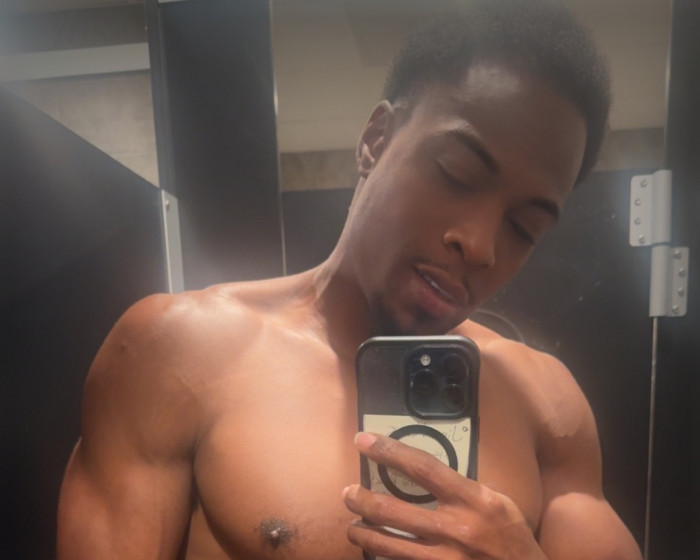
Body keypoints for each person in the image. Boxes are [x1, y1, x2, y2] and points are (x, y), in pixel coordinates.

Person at [57, 1, 643, 559]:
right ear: (375, 140)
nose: (482, 246)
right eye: (457, 174)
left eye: (524, 227)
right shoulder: (180, 353)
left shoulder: (546, 402)